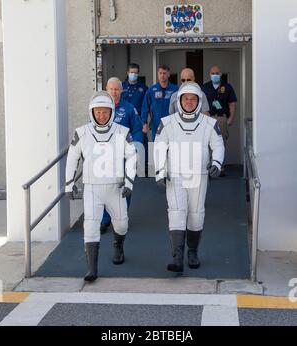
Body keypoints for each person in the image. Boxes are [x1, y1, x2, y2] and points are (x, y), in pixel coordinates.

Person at [65, 91, 137, 282]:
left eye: (105, 112)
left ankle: (118, 245)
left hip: (116, 187)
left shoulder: (122, 131)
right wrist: (68, 184)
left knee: (122, 224)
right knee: (90, 226)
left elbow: (132, 156)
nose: (101, 115)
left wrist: (129, 181)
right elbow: (72, 158)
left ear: (112, 111)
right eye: (98, 112)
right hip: (92, 188)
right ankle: (91, 269)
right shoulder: (82, 132)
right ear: (92, 112)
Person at [154, 82, 224, 273]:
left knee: (196, 215)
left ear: (199, 101)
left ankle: (192, 252)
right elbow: (159, 147)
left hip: (199, 176)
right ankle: (177, 257)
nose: (190, 102)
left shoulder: (210, 123)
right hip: (175, 176)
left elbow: (218, 145)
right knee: (176, 212)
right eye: (186, 99)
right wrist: (160, 171)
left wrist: (217, 163)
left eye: (194, 99)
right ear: (179, 101)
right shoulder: (167, 122)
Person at [100, 77, 144, 233]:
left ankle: (122, 217)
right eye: (111, 89)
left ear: (121, 90)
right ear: (106, 90)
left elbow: (138, 130)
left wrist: (136, 147)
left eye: (117, 89)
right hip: (105, 156)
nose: (114, 92)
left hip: (125, 155)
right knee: (105, 188)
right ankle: (105, 220)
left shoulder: (129, 108)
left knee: (126, 187)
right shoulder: (100, 108)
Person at [202, 65, 237, 176]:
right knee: (207, 143)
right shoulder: (205, 87)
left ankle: (220, 167)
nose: (215, 75)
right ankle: (209, 167)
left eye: (217, 73)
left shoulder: (227, 87)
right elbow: (200, 102)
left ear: (221, 74)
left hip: (221, 118)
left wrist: (231, 117)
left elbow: (232, 103)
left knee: (221, 143)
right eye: (212, 73)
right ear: (209, 74)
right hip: (208, 118)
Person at [122, 63, 148, 175]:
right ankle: (125, 169)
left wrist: (145, 122)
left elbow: (146, 106)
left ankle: (142, 168)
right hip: (124, 120)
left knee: (140, 144)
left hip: (138, 122)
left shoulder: (143, 87)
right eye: (132, 72)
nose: (134, 74)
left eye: (136, 72)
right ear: (127, 73)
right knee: (124, 144)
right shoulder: (121, 86)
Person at [141, 65, 178, 141]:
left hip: (171, 123)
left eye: (164, 73)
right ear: (157, 74)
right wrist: (144, 122)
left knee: (172, 145)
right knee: (158, 146)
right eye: (160, 73)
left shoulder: (175, 89)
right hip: (156, 123)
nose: (162, 75)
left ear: (168, 74)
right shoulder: (152, 90)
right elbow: (145, 107)